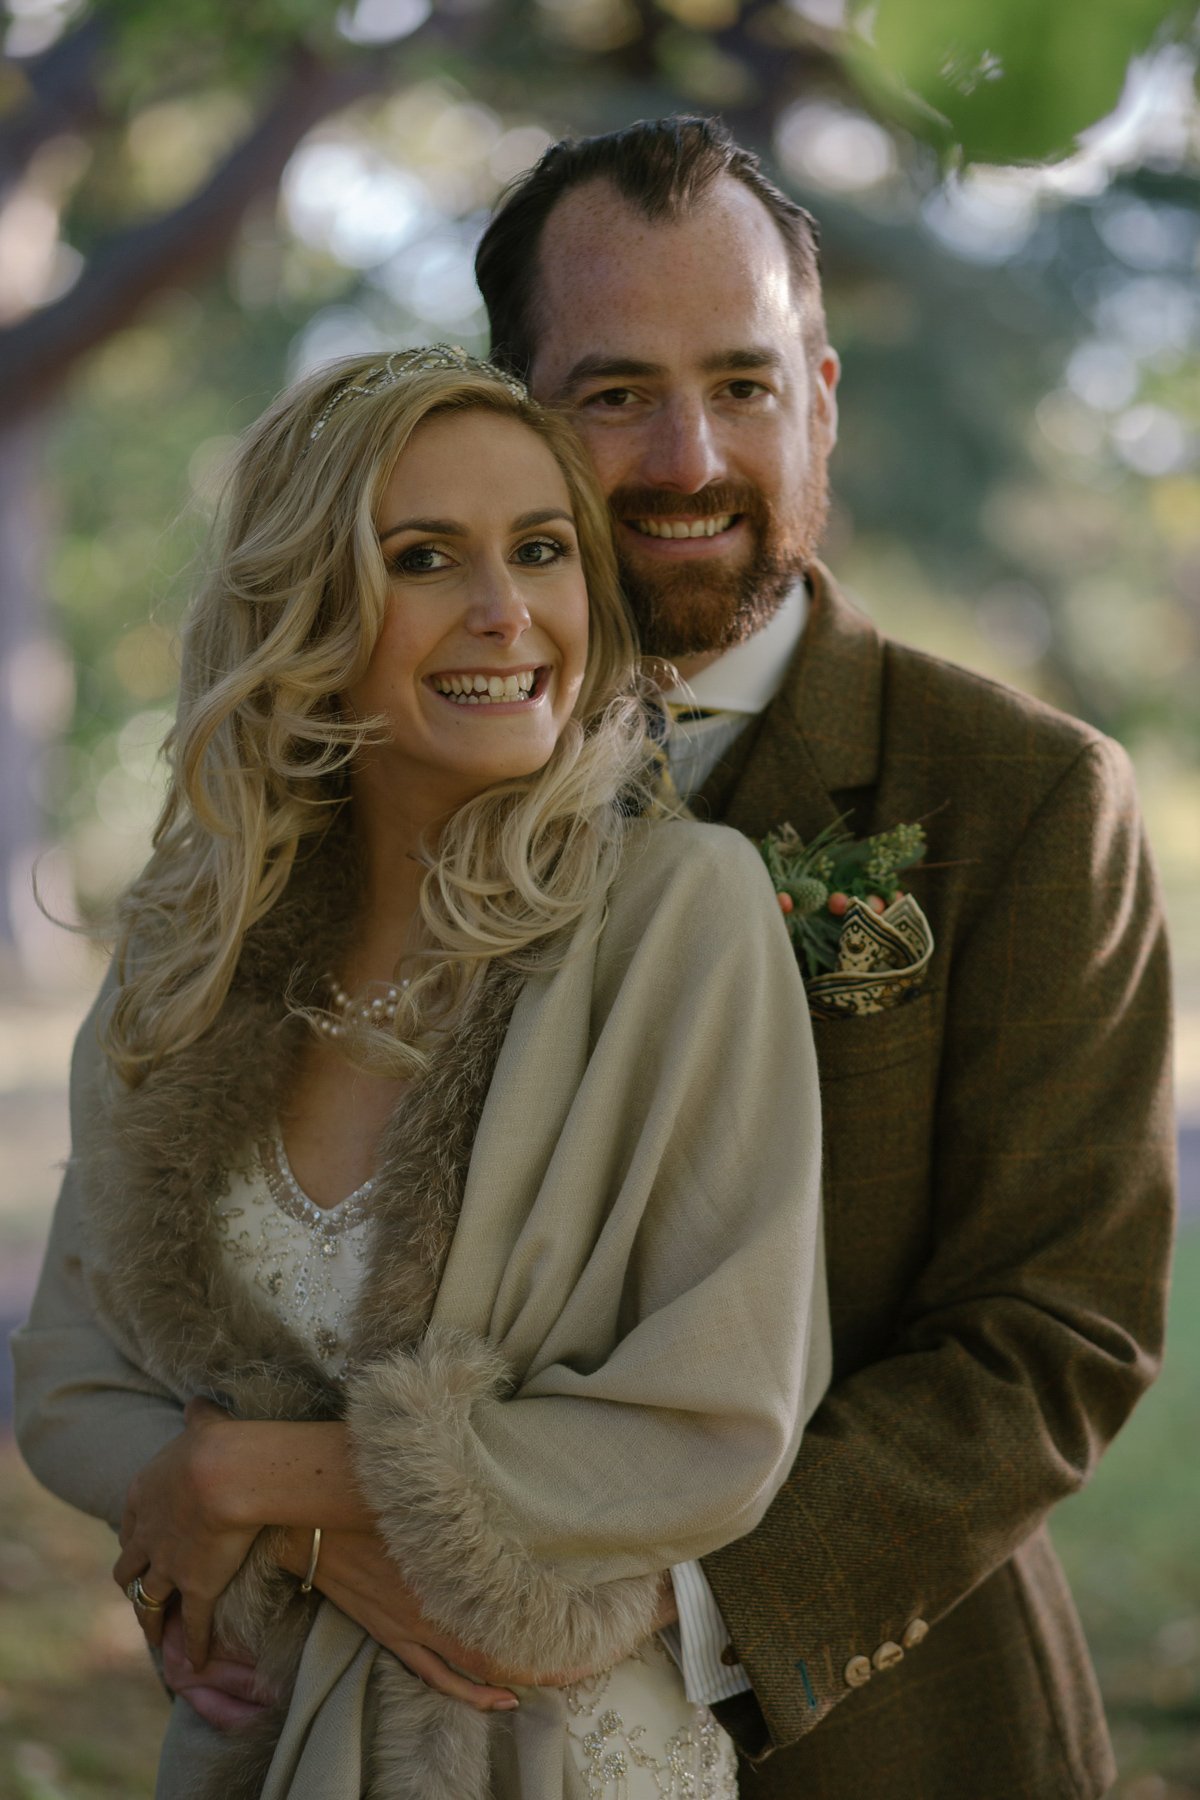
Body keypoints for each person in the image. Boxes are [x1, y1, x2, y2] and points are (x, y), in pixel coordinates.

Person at [467, 116, 1176, 1799]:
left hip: (890, 1733)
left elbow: (1052, 1332)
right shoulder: (398, 781)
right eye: (615, 392)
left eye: (747, 382)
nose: (690, 453)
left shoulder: (1023, 798)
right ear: (510, 419)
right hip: (423, 1710)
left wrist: (673, 1610)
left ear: (827, 398)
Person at [12, 348, 831, 1798]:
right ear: (311, 606)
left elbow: (712, 1427)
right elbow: (75, 1380)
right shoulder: (185, 956)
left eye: (542, 549)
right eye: (424, 557)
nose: (507, 612)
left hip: (564, 1750)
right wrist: (325, 1549)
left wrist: (243, 1482)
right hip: (259, 1743)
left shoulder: (679, 915)